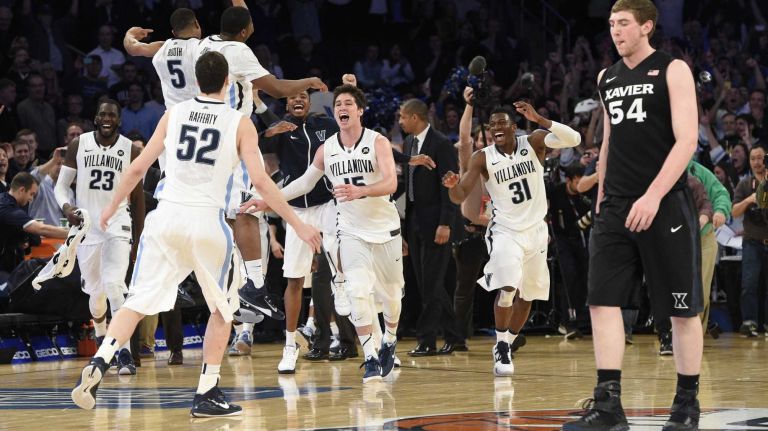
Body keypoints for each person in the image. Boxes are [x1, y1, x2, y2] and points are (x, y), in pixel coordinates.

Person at [70, 51, 321, 416]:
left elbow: (139, 166)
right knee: (222, 308)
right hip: (207, 221)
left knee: (137, 301)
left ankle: (100, 361)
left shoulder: (174, 113)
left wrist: (110, 208)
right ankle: (207, 392)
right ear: (227, 82)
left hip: (166, 216)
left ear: (195, 79)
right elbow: (263, 182)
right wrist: (297, 223)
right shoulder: (239, 122)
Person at [564, 1, 703, 430]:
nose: (615, 31)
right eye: (610, 24)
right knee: (601, 303)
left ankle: (686, 405)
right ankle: (608, 407)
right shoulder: (607, 78)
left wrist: (653, 196)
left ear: (646, 26)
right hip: (617, 206)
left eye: (623, 23)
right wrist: (603, 196)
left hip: (663, 204)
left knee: (681, 310)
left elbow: (687, 141)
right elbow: (609, 142)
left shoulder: (672, 69)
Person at [242, 84, 404, 383]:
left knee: (393, 295)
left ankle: (390, 341)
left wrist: (362, 191)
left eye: (348, 103)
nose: (342, 107)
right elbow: (303, 183)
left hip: (383, 227)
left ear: (359, 110)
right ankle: (370, 357)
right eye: (339, 103)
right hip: (349, 227)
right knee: (356, 291)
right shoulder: (325, 149)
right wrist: (267, 201)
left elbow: (392, 183)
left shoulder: (377, 141)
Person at [443, 101, 581, 376]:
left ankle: (509, 339)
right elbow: (460, 196)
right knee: (507, 287)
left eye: (501, 122)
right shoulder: (482, 157)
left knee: (528, 294)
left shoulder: (533, 142)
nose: (496, 127)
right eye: (492, 124)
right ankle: (501, 345)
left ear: (514, 126)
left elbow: (573, 138)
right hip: (505, 230)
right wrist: (452, 187)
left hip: (536, 231)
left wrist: (539, 117)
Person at [54, 99, 146, 376]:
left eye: (112, 115)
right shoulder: (78, 145)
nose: (107, 118)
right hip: (87, 229)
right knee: (96, 295)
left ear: (119, 120)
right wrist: (67, 208)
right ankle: (100, 331)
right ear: (95, 118)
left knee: (116, 286)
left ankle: (125, 353)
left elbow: (138, 199)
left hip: (118, 226)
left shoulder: (129, 149)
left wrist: (138, 240)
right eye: (102, 114)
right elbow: (61, 187)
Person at [400, 98, 460, 356]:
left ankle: (427, 340)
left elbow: (450, 186)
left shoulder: (442, 144)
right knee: (427, 283)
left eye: (403, 117)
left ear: (415, 117)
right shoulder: (408, 144)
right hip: (414, 219)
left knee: (432, 284)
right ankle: (456, 335)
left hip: (437, 221)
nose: (400, 122)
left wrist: (446, 222)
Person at [731, 145, 768, 338]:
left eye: (760, 158)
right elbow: (734, 211)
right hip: (752, 241)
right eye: (753, 158)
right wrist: (750, 200)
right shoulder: (745, 184)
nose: (756, 162)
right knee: (749, 284)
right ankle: (750, 322)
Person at [0, 172, 68, 274]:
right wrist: (73, 233)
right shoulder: (6, 208)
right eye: (31, 194)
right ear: (22, 190)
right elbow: (41, 229)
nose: (31, 199)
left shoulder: (10, 202)